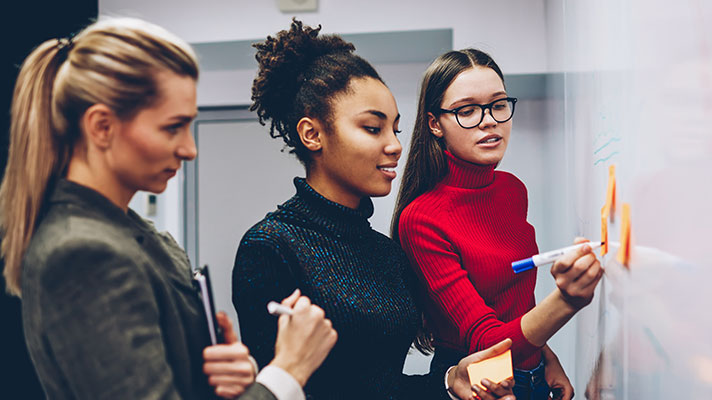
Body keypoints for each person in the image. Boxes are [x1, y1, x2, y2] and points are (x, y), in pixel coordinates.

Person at [0, 17, 336, 400]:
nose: (189, 149)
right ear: (102, 127)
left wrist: (230, 379)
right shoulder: (83, 253)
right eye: (172, 127)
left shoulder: (137, 237)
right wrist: (287, 371)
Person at [232, 20, 515, 400]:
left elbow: (385, 388)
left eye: (395, 130)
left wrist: (449, 382)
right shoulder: (271, 247)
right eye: (372, 128)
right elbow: (274, 391)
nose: (395, 145)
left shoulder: (386, 253)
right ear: (312, 134)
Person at [392, 48, 604, 400]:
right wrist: (566, 300)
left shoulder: (512, 189)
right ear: (434, 124)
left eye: (498, 105)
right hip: (478, 383)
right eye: (467, 110)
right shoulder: (421, 219)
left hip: (533, 371)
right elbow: (488, 342)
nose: (489, 120)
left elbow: (514, 297)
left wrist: (545, 356)